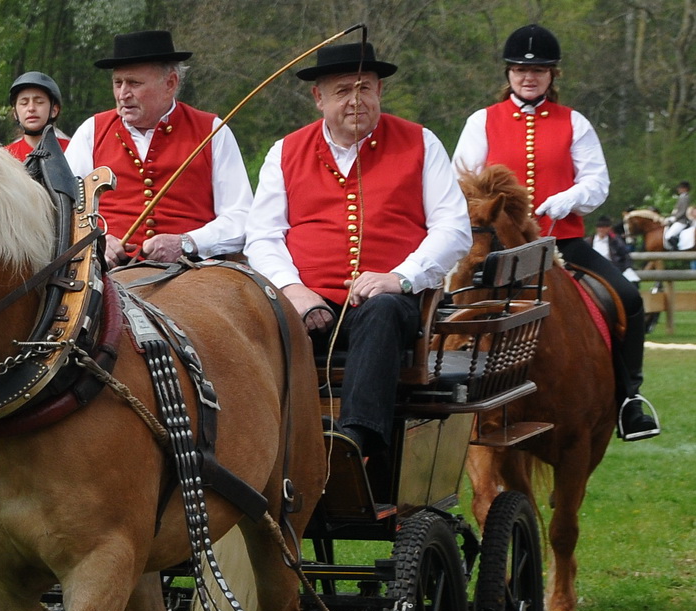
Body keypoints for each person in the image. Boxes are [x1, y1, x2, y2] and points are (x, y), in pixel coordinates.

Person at [246, 41, 472, 462]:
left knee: (381, 311)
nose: (356, 101)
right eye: (342, 91)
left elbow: (453, 228)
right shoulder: (285, 151)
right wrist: (293, 289)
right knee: (247, 319)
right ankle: (253, 447)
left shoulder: (421, 143)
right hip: (306, 304)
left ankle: (355, 443)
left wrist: (401, 277)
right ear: (318, 98)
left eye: (365, 88)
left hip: (392, 308)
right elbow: (262, 235)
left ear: (380, 91)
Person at [452, 23, 658, 440]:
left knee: (630, 299)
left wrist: (569, 199)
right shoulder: (482, 122)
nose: (529, 77)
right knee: (445, 301)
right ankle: (446, 387)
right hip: (495, 251)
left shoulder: (574, 123)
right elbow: (462, 183)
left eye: (539, 70)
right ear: (508, 73)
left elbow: (597, 182)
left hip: (561, 242)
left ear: (552, 75)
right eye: (520, 70)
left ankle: (629, 398)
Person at [65, 30, 253, 264]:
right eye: (118, 83)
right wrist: (96, 240)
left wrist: (187, 242)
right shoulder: (91, 131)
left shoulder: (213, 130)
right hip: (106, 274)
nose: (123, 94)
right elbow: (64, 209)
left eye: (134, 83)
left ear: (170, 83)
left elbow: (241, 216)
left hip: (195, 273)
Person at [4, 71, 72, 162]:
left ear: (54, 110)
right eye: (24, 103)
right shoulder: (5, 157)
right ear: (15, 113)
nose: (31, 108)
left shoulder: (72, 151)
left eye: (39, 102)